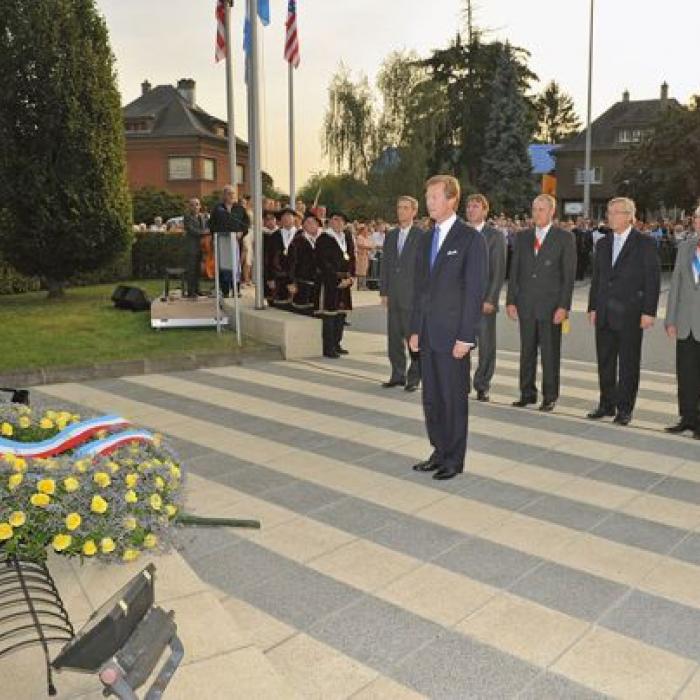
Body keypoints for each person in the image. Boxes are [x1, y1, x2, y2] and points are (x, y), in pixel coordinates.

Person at [409, 175, 487, 481]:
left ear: (452, 200)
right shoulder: (425, 238)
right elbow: (420, 289)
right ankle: (438, 450)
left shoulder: (469, 238)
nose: (429, 203)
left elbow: (474, 292)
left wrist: (466, 337)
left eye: (435, 197)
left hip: (454, 335)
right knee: (432, 398)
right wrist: (415, 329)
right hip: (427, 333)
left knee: (453, 398)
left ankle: (454, 458)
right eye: (427, 198)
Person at [587, 197, 661, 425]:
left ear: (629, 216)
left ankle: (625, 408)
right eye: (609, 213)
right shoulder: (603, 243)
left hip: (631, 313)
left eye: (615, 212)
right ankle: (606, 404)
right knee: (605, 361)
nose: (610, 217)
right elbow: (597, 279)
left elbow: (653, 280)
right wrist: (592, 306)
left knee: (628, 363)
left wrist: (648, 311)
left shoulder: (644, 243)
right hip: (604, 313)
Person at [506, 194, 576, 412]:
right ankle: (527, 393)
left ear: (552, 212)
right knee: (527, 352)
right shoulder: (523, 236)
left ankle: (550, 395)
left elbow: (568, 276)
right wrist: (510, 300)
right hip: (526, 304)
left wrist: (563, 307)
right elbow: (514, 271)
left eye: (542, 209)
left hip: (551, 306)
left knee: (549, 353)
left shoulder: (564, 238)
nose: (537, 213)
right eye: (534, 209)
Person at [380, 196, 424, 392]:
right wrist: (384, 292)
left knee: (413, 338)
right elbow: (386, 266)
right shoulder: (390, 235)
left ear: (414, 212)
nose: (401, 211)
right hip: (394, 295)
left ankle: (414, 377)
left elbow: (425, 270)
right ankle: (397, 374)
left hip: (412, 296)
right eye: (399, 208)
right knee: (393, 337)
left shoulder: (422, 236)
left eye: (406, 208)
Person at [664, 206, 700, 439]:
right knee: (685, 373)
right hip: (685, 322)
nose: (697, 221)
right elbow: (675, 284)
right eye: (696, 217)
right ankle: (687, 418)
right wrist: (670, 319)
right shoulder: (685, 246)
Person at [466, 194, 506, 402]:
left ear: (485, 210)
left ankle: (482, 384)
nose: (471, 210)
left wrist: (491, 298)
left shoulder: (495, 236)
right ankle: (462, 383)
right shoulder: (459, 234)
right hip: (460, 301)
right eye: (469, 206)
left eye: (476, 206)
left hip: (483, 301)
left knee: (486, 345)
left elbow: (498, 270)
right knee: (461, 342)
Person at [314, 211, 355, 358]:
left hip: (345, 281)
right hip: (331, 282)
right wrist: (337, 280)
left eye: (340, 220)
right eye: (334, 220)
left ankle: (337, 343)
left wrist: (351, 278)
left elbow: (352, 258)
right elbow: (324, 262)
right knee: (330, 314)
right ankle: (328, 347)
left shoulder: (346, 237)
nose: (337, 223)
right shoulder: (324, 239)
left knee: (341, 315)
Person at [209, 184, 250, 297]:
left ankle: (236, 290)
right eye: (229, 193)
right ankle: (225, 291)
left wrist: (242, 232)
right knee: (224, 267)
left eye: (233, 194)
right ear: (224, 195)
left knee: (236, 266)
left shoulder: (240, 209)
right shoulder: (218, 209)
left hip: (236, 242)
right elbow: (211, 225)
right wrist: (215, 237)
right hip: (222, 242)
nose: (232, 195)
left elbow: (246, 224)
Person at [287, 212, 321, 315]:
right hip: (303, 284)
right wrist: (291, 282)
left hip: (319, 284)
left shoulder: (323, 241)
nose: (311, 225)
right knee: (302, 313)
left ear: (318, 225)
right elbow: (291, 263)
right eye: (308, 222)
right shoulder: (297, 241)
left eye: (313, 223)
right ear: (303, 225)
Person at [265, 207, 298, 309]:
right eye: (284, 217)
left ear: (294, 219)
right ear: (280, 220)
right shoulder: (275, 236)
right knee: (280, 308)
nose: (287, 219)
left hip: (297, 277)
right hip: (279, 277)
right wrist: (270, 277)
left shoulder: (300, 235)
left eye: (289, 216)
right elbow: (268, 258)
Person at [183, 198, 207, 298]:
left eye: (197, 204)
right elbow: (192, 230)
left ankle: (197, 289)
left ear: (200, 206)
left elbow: (204, 228)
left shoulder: (202, 217)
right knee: (191, 270)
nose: (196, 207)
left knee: (198, 270)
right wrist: (204, 232)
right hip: (191, 248)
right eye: (193, 205)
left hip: (201, 247)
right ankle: (190, 291)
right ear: (189, 207)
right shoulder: (187, 217)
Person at [354, 224, 374, 290]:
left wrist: (370, 247)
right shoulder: (359, 237)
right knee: (360, 271)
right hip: (361, 256)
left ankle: (363, 285)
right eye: (365, 230)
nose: (366, 231)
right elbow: (360, 245)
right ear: (362, 230)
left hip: (366, 256)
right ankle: (360, 285)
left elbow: (371, 244)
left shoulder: (367, 237)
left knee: (365, 270)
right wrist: (368, 247)